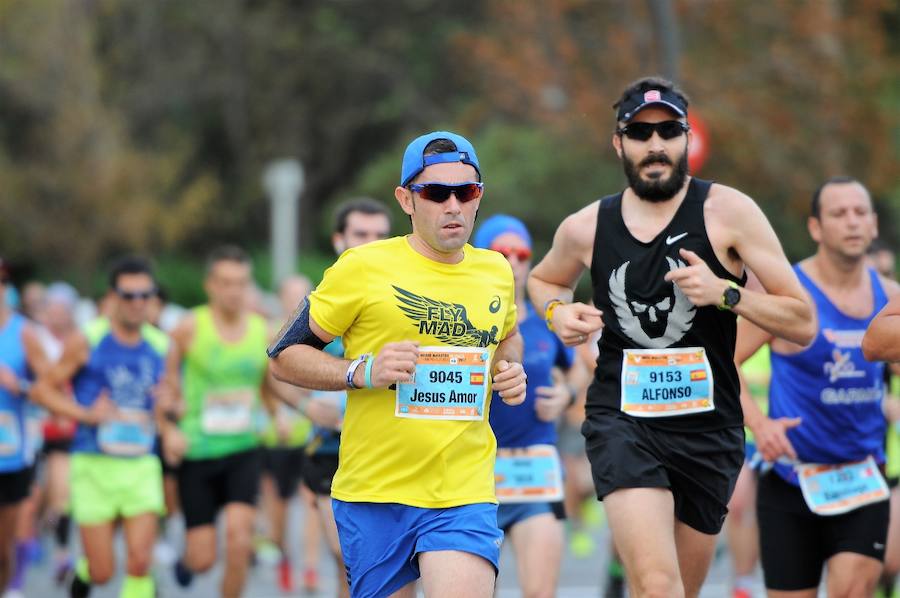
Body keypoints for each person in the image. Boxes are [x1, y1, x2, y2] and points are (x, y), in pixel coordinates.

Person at [527, 76, 815, 597]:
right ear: (619, 143)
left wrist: (726, 293)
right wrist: (556, 312)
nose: (655, 144)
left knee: (675, 588)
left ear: (686, 138)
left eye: (668, 131)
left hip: (709, 431)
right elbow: (543, 278)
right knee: (658, 585)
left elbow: (802, 319)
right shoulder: (587, 226)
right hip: (623, 421)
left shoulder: (730, 212)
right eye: (640, 132)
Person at [269, 131, 528, 598]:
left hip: (462, 490)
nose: (453, 205)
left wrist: (508, 369)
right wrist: (360, 372)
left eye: (465, 192)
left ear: (478, 196)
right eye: (435, 193)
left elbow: (508, 337)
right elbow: (283, 356)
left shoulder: (495, 270)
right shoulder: (362, 267)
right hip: (375, 493)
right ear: (406, 199)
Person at [739, 176, 899, 596]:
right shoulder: (789, 296)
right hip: (791, 482)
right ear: (815, 228)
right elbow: (721, 362)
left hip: (863, 477)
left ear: (874, 224)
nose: (852, 222)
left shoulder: (891, 298)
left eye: (860, 212)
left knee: (853, 588)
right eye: (838, 213)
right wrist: (759, 424)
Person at [31, 256, 168, 598]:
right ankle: (84, 573)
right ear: (113, 297)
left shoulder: (162, 346)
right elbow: (42, 389)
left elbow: (174, 400)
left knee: (139, 561)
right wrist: (84, 414)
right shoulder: (86, 340)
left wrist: (169, 407)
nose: (137, 304)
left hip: (141, 464)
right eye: (129, 295)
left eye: (144, 295)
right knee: (102, 571)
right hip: (94, 464)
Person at [473, 214, 584, 598]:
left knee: (540, 592)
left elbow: (578, 370)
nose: (513, 262)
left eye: (521, 253)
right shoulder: (464, 323)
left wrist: (566, 396)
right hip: (474, 476)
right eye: (502, 252)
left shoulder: (545, 321)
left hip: (535, 474)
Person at [157, 245, 277, 598]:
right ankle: (187, 560)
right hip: (198, 451)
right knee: (204, 559)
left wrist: (276, 417)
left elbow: (267, 385)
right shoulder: (188, 328)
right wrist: (167, 430)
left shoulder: (263, 330)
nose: (233, 291)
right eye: (225, 282)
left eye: (241, 283)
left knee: (240, 543)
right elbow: (164, 387)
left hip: (244, 448)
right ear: (210, 285)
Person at [290, 197, 391, 598]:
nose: (370, 243)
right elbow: (275, 367)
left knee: (362, 571)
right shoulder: (321, 301)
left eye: (380, 236)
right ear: (338, 240)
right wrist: (303, 405)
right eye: (360, 235)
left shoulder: (400, 298)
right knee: (349, 561)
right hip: (331, 451)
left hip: (387, 449)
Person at [0, 260, 51, 593]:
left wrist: (18, 385)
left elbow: (50, 388)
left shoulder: (25, 333)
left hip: (9, 456)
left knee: (1, 550)